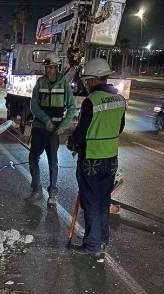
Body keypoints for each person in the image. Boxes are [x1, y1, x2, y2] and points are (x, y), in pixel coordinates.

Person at [66, 59, 126, 255]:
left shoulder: (92, 101)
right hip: (111, 158)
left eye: (87, 81)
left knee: (90, 202)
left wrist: (72, 142)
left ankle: (92, 246)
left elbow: (81, 130)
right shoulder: (120, 100)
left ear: (92, 80)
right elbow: (120, 128)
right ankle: (102, 239)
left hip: (91, 158)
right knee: (103, 200)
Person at [28, 58, 76, 208]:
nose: (48, 70)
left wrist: (63, 126)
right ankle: (36, 189)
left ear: (57, 68)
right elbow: (33, 105)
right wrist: (45, 120)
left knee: (53, 161)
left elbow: (72, 108)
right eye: (47, 67)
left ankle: (53, 193)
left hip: (54, 131)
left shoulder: (64, 85)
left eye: (52, 67)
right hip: (39, 128)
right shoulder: (40, 83)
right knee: (33, 158)